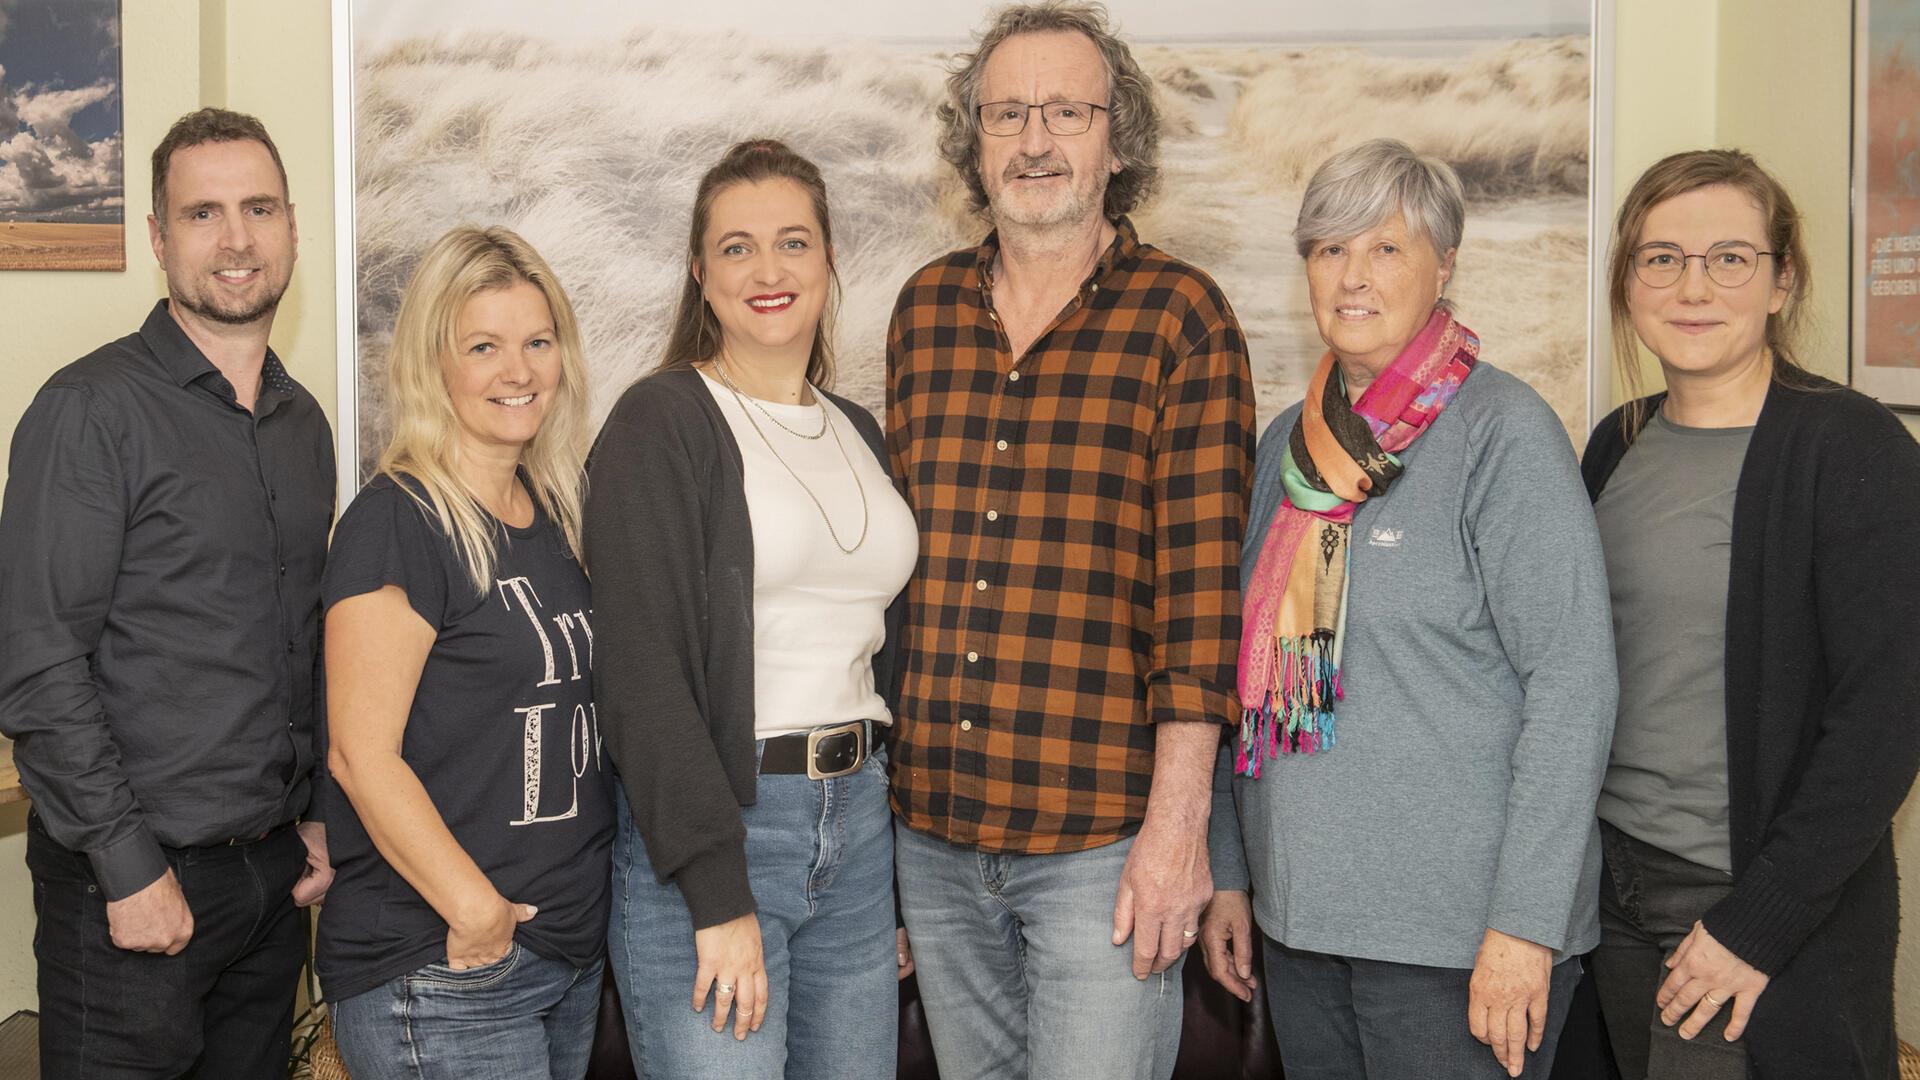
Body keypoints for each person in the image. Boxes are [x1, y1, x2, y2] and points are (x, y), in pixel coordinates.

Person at [885, 5, 1256, 1077]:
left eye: (1067, 111)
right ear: (974, 141)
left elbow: (1198, 610)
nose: (1035, 138)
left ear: (1119, 140)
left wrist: (1179, 834)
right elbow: (898, 591)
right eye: (1006, 113)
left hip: (1104, 847)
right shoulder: (923, 313)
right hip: (935, 838)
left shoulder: (1183, 316)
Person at [1200, 138, 1617, 1080]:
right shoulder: (1287, 448)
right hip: (1301, 924)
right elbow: (1239, 679)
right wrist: (1230, 872)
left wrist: (1525, 923)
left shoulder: (1503, 434)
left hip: (1457, 943)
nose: (1354, 276)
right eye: (1330, 249)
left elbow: (1574, 687)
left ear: (1446, 265)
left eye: (1386, 248)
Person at [0, 107, 335, 1079]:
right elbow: (35, 660)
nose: (236, 239)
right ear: (157, 238)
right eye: (203, 214)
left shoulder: (300, 424)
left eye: (258, 208)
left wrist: (314, 815)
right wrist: (127, 863)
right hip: (135, 887)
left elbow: (301, 639)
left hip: (271, 882)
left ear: (291, 227)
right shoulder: (88, 412)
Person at [1581, 149, 1920, 1080]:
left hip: (1751, 900)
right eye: (1662, 258)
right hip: (1611, 883)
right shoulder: (1616, 443)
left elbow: (1885, 723)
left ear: (1782, 281)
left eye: (1730, 257)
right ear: (1627, 282)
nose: (1694, 286)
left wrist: (1754, 926)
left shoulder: (1853, 449)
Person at [586, 138, 918, 1079]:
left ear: (829, 259)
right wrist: (716, 893)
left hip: (857, 827)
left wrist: (883, 868)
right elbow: (641, 677)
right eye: (736, 248)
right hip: (724, 827)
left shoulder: (857, 430)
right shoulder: (661, 423)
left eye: (792, 243)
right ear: (699, 271)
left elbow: (875, 650)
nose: (767, 271)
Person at [321, 225, 613, 1080]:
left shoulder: (559, 513)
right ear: (432, 364)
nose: (517, 372)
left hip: (562, 953)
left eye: (537, 341)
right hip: (446, 964)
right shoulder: (397, 521)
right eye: (483, 346)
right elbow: (358, 755)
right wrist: (474, 908)